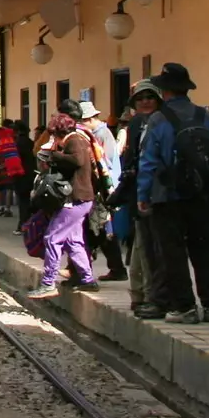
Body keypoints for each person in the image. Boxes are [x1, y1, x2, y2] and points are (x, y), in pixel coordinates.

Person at [134, 63, 209, 324]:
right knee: (205, 251)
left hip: (167, 196)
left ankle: (184, 307)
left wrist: (143, 194)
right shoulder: (205, 116)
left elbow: (148, 162)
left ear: (164, 91)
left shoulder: (158, 120)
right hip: (201, 196)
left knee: (173, 253)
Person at [28, 110, 100, 299]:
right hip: (82, 199)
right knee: (74, 241)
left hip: (75, 199)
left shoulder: (74, 140)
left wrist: (55, 156)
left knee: (52, 238)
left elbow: (77, 161)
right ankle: (87, 279)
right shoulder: (75, 140)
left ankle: (48, 283)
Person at [115, 84, 166, 318]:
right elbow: (132, 161)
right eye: (140, 99)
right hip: (141, 193)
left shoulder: (162, 122)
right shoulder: (137, 125)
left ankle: (141, 294)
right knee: (143, 246)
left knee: (143, 246)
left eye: (150, 97)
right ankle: (142, 294)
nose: (145, 102)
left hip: (155, 193)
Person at [75, 98, 126, 281]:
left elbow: (108, 164)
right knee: (98, 229)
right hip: (97, 189)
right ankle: (111, 268)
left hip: (104, 189)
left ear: (88, 119)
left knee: (102, 229)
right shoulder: (96, 134)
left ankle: (114, 268)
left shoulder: (103, 135)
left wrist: (106, 189)